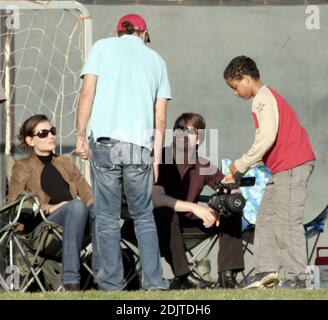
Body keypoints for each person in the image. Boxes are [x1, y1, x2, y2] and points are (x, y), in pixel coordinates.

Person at [75, 13, 171, 290]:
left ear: (119, 32)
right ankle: (154, 282)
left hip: (105, 142)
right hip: (139, 146)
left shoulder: (101, 48)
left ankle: (111, 285)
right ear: (144, 33)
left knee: (106, 215)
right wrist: (155, 156)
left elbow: (87, 93)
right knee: (143, 215)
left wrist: (80, 135)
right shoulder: (156, 60)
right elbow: (160, 118)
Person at [223, 56, 316, 289]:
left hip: (292, 166)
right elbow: (267, 145)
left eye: (235, 87)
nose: (235, 93)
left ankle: (297, 277)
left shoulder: (262, 99)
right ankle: (266, 271)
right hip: (281, 169)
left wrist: (239, 165)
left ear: (245, 78)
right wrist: (239, 170)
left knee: (286, 221)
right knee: (264, 219)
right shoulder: (264, 98)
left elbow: (265, 139)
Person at [151, 113, 245, 289]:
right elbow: (155, 199)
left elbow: (231, 190)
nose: (182, 133)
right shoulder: (160, 159)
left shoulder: (203, 165)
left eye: (189, 130)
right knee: (165, 212)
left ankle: (227, 275)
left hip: (187, 221)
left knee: (230, 209)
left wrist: (220, 205)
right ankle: (184, 277)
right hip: (156, 224)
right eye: (178, 128)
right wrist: (195, 207)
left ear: (198, 139)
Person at [7, 114, 96, 291]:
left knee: (99, 209)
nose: (51, 136)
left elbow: (88, 194)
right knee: (77, 206)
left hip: (76, 224)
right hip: (43, 230)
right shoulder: (22, 166)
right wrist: (50, 208)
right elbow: (14, 203)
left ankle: (106, 278)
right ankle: (71, 281)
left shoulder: (66, 162)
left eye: (52, 131)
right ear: (30, 140)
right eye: (43, 133)